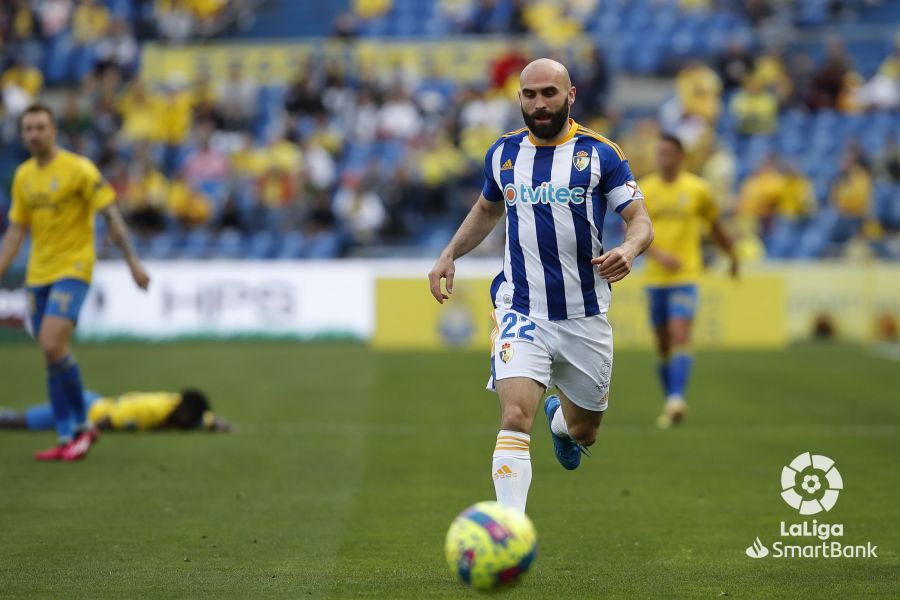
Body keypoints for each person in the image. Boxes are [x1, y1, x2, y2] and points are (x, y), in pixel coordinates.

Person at [427, 59, 654, 513]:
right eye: (530, 95)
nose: (539, 103)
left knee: (584, 431)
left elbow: (640, 221)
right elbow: (488, 209)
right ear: (519, 99)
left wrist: (629, 251)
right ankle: (509, 529)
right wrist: (450, 252)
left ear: (570, 96)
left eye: (549, 93)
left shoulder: (601, 154)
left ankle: (560, 425)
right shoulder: (504, 154)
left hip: (583, 315)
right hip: (521, 307)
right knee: (513, 416)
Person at [0, 104, 150, 461]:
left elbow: (110, 212)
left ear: (54, 131)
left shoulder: (79, 169)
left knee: (52, 343)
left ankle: (82, 426)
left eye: (41, 127)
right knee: (51, 353)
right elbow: (16, 231)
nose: (34, 134)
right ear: (23, 135)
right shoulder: (23, 177)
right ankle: (68, 436)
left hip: (74, 267)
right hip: (38, 273)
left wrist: (133, 263)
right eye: (28, 128)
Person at [638, 133, 738, 429]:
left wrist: (732, 255)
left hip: (686, 275)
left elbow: (715, 225)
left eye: (668, 153)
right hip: (656, 277)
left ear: (680, 157)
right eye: (659, 153)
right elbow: (633, 232)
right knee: (663, 345)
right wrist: (659, 254)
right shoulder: (645, 190)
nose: (663, 158)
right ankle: (671, 399)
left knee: (681, 335)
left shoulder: (698, 190)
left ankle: (677, 398)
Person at [0, 388, 231, 433]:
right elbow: (110, 419)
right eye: (193, 419)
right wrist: (84, 433)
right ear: (184, 411)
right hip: (84, 408)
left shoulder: (181, 409)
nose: (193, 424)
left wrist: (216, 423)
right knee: (23, 423)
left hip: (95, 403)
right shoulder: (149, 410)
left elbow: (203, 418)